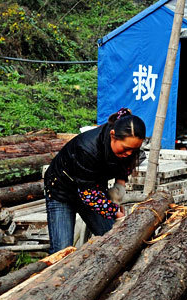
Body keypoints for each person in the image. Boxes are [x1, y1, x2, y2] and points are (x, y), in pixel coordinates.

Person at [44, 108, 145, 253]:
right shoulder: (86, 149)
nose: (129, 153)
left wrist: (118, 191)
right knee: (62, 252)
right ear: (112, 135)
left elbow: (126, 167)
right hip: (62, 191)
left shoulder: (129, 149)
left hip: (92, 189)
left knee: (113, 241)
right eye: (125, 149)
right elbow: (89, 195)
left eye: (133, 150)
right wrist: (114, 211)